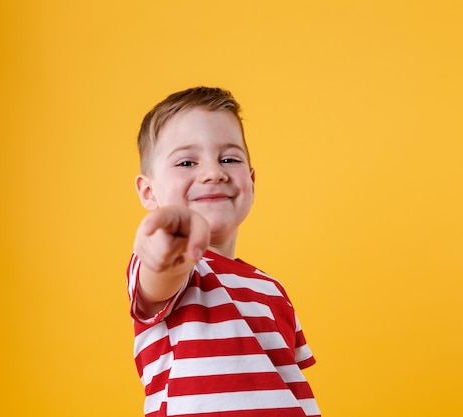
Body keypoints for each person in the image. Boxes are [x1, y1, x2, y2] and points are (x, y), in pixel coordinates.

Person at [127, 86, 321, 417]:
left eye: (229, 159)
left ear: (252, 181)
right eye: (187, 162)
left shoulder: (271, 289)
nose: (213, 173)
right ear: (149, 192)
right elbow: (161, 273)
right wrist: (165, 246)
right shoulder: (179, 268)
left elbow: (291, 386)